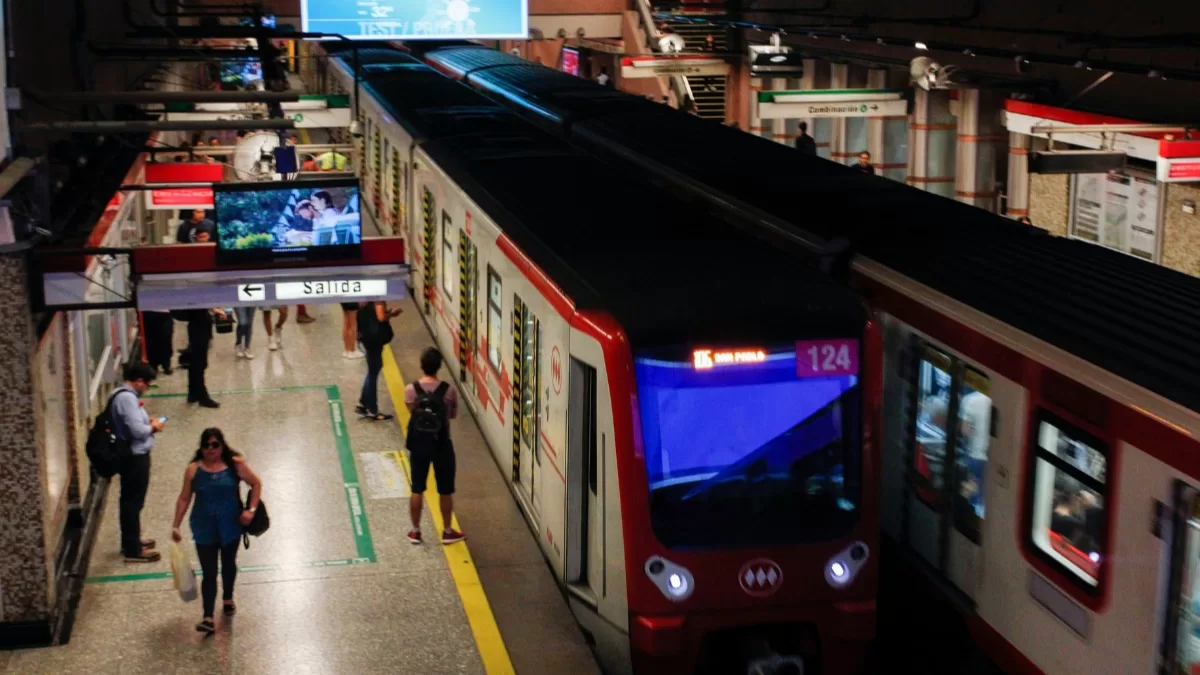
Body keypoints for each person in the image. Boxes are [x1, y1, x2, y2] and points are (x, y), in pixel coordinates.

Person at [171, 428, 262, 635]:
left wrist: (251, 510)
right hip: (204, 526)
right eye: (206, 446)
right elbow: (184, 498)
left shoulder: (235, 464)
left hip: (230, 524)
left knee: (228, 563)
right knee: (209, 571)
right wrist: (176, 524)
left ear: (222, 445)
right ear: (201, 448)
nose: (211, 450)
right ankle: (208, 616)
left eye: (215, 445)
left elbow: (256, 483)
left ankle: (228, 597)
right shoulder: (193, 470)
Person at [404, 348, 465, 545]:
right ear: (439, 367)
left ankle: (415, 531)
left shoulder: (410, 389)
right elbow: (453, 415)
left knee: (417, 488)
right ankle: (447, 531)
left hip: (419, 445)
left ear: (421, 365)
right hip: (442, 445)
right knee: (445, 490)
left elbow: (411, 411)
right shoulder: (448, 390)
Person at [112, 362, 166, 562]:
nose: (147, 389)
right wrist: (154, 427)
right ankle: (132, 549)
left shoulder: (123, 395)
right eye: (147, 384)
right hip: (135, 457)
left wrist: (147, 421)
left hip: (133, 455)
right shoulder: (127, 398)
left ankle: (131, 540)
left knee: (132, 501)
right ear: (139, 381)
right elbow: (137, 431)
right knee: (132, 502)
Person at [356, 301, 401, 421]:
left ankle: (364, 403)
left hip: (366, 336)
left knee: (374, 369)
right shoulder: (378, 297)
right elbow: (381, 317)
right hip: (374, 339)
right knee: (373, 372)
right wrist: (392, 313)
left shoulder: (364, 297)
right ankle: (372, 409)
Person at [186, 309, 224, 408]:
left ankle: (193, 392)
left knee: (196, 361)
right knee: (199, 362)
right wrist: (214, 309)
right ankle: (202, 396)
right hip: (198, 325)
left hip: (201, 323)